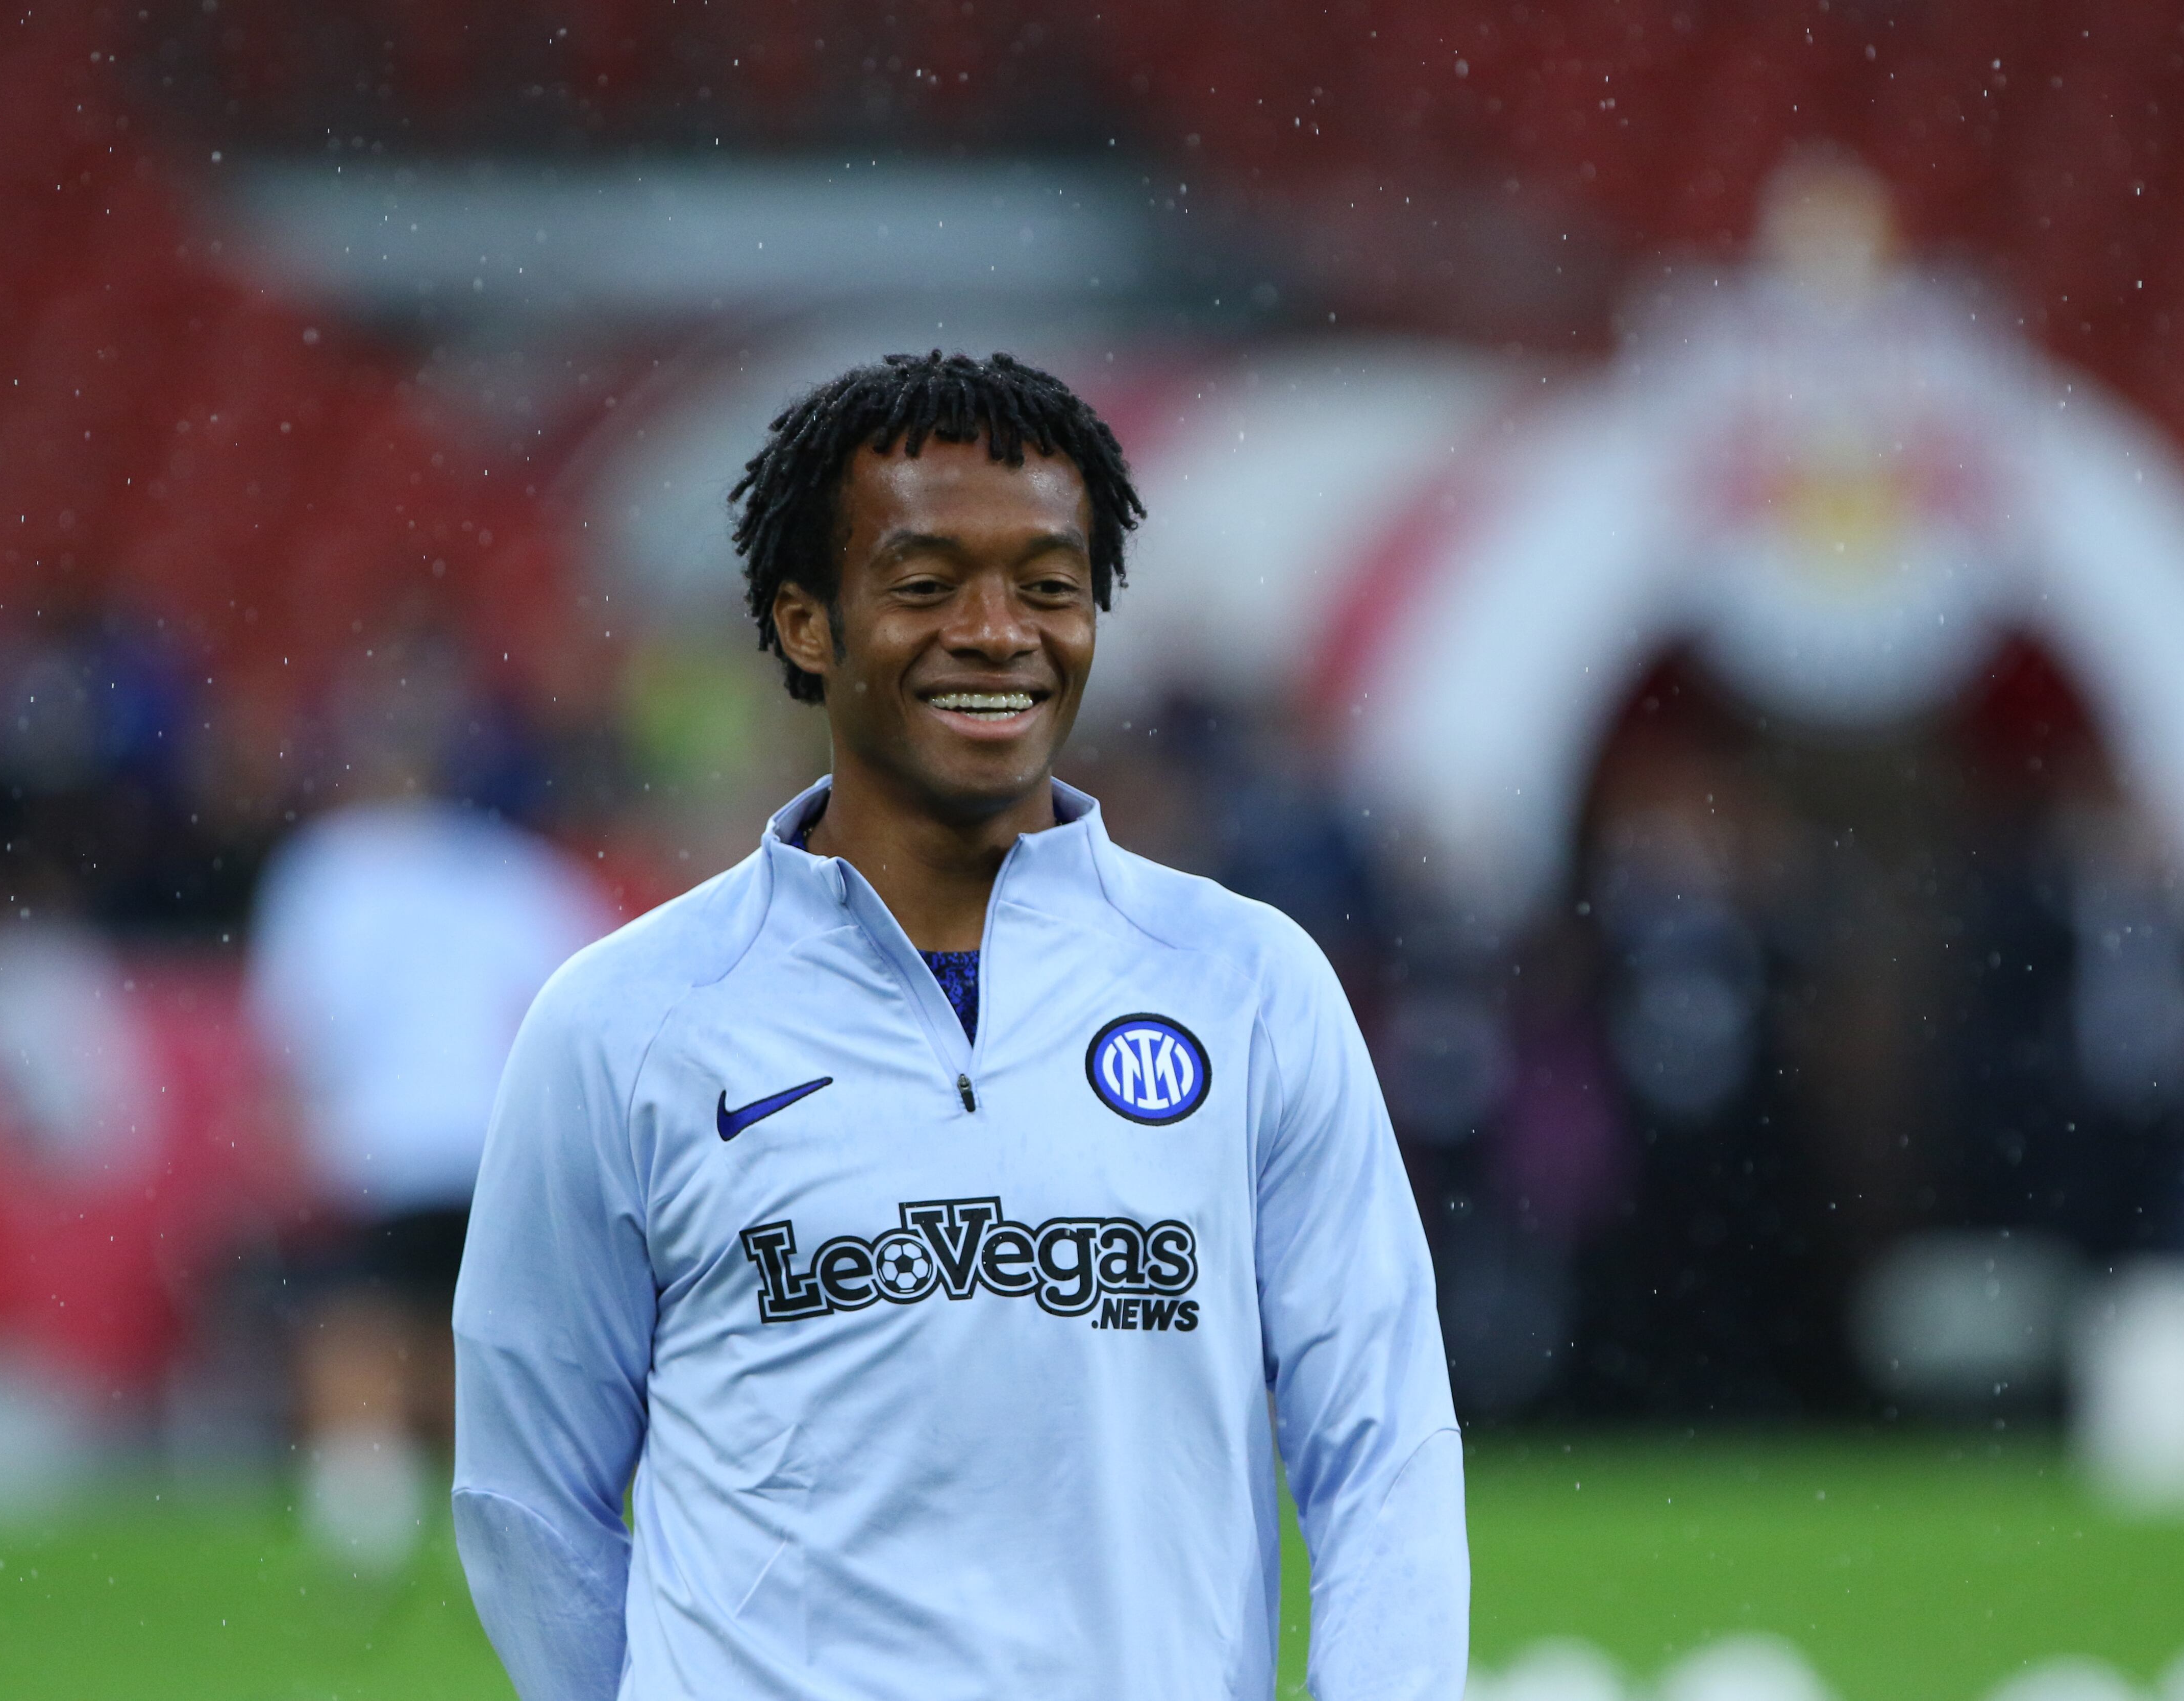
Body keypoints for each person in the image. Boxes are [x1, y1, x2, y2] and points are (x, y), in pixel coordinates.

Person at [452, 352, 1465, 1698]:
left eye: (1048, 587)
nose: (999, 632)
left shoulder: (1250, 986)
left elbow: (1382, 1446)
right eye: (927, 585)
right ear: (807, 623)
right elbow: (530, 1492)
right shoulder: (624, 1020)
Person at [249, 636, 613, 1574]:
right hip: (493, 1139)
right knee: (475, 1335)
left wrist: (290, 1123)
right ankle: (493, 1519)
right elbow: (589, 1010)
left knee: (360, 1321)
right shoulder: (519, 873)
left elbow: (299, 1025)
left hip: (380, 1141)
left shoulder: (325, 869)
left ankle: (364, 1521)